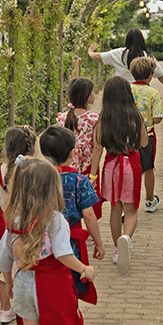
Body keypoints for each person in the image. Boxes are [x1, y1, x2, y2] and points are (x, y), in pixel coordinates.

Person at [0, 157, 95, 325]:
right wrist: (84, 269)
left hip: (23, 281)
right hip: (52, 283)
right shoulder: (55, 220)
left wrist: (9, 283)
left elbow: (3, 258)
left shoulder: (14, 221)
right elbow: (63, 254)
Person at [0, 125, 37, 325]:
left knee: (4, 266)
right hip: (28, 224)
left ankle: (4, 308)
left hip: (6, 224)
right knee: (27, 263)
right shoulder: (30, 169)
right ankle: (28, 304)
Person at [39, 126, 105, 304]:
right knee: (71, 284)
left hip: (42, 240)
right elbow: (89, 215)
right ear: (72, 153)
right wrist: (98, 242)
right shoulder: (80, 181)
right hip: (71, 243)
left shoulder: (38, 180)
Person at [94, 76, 148, 273]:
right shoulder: (136, 116)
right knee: (131, 209)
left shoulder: (103, 118)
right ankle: (126, 238)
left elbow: (97, 148)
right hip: (130, 164)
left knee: (115, 209)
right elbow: (143, 143)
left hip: (111, 167)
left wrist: (93, 176)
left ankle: (117, 249)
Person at [55, 77, 104, 219]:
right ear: (87, 96)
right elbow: (97, 147)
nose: (94, 94)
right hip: (89, 166)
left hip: (67, 164)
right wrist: (93, 175)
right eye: (93, 92)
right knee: (89, 201)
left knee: (69, 199)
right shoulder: (93, 119)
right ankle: (89, 235)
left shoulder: (62, 118)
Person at [87, 28, 163, 99]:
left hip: (121, 92)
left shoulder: (119, 53)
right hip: (142, 94)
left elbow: (98, 56)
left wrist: (90, 52)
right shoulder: (147, 57)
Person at [130, 57, 163, 213]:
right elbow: (157, 119)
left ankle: (127, 202)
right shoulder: (153, 93)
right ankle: (149, 200)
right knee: (148, 168)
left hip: (128, 136)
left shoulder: (126, 90)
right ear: (151, 75)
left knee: (129, 168)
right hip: (147, 136)